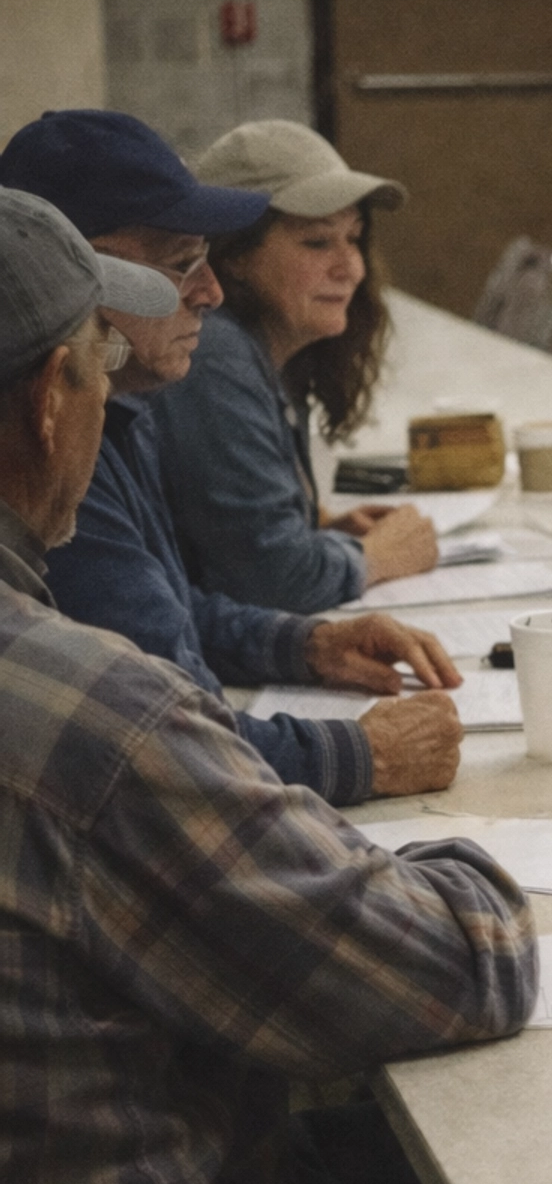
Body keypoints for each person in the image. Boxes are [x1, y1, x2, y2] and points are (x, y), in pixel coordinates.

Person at [0, 186, 552, 1184]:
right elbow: (452, 968)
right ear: (50, 403)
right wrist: (462, 857)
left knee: (386, 1168)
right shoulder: (81, 715)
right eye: (100, 372)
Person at [0, 110, 461, 806]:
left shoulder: (123, 410)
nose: (210, 294)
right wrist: (364, 753)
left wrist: (308, 645)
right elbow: (164, 742)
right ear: (84, 272)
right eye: (183, 263)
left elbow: (172, 611)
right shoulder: (47, 455)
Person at [150, 119, 438, 614]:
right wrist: (374, 556)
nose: (350, 267)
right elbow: (274, 580)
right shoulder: (213, 352)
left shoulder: (269, 349)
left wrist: (316, 527)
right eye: (317, 242)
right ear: (236, 256)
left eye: (354, 238)